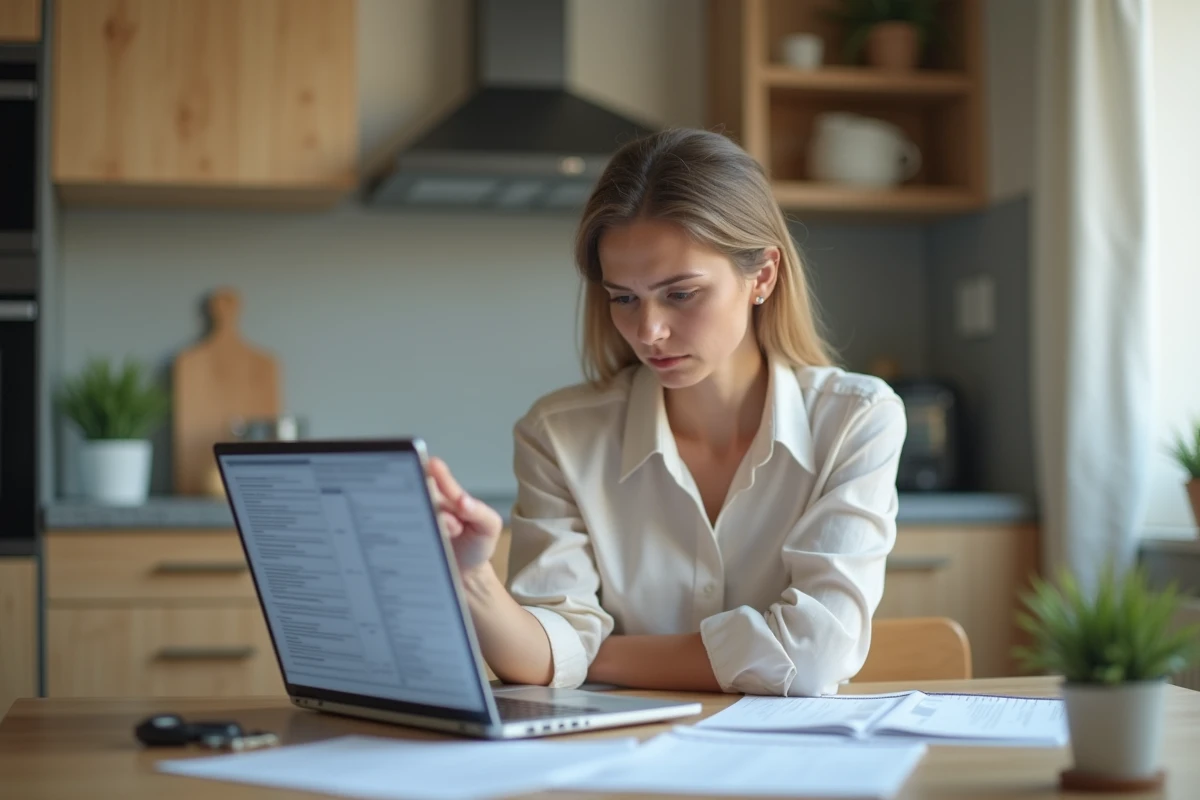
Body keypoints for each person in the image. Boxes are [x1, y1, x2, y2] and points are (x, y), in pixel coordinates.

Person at [427, 128, 906, 698]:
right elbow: (539, 656)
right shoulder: (557, 435)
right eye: (624, 297)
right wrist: (471, 577)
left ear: (763, 276)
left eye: (680, 293)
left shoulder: (857, 419)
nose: (648, 331)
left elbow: (812, 656)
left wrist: (590, 656)